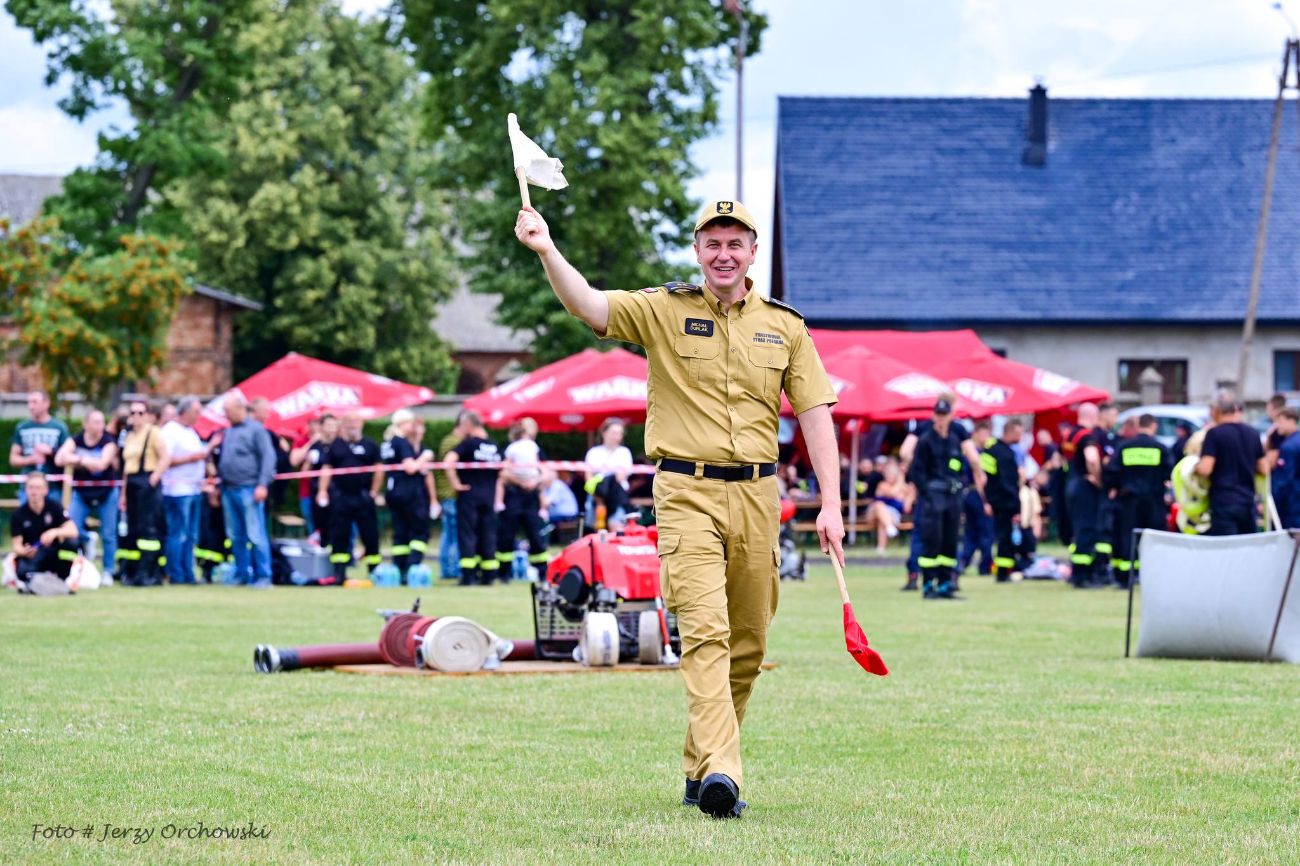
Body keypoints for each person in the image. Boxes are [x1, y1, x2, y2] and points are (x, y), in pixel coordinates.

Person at [516, 196, 842, 820]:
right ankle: (725, 771)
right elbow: (589, 304)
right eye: (711, 243)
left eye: (735, 243)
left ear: (752, 252)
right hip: (685, 492)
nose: (723, 254)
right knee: (704, 631)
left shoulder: (786, 326)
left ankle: (700, 765)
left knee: (748, 642)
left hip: (758, 495)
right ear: (697, 251)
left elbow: (815, 414)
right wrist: (546, 249)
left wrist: (830, 503)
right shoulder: (664, 310)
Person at [898, 397, 984, 592]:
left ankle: (943, 579)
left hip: (950, 493)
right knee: (928, 536)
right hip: (932, 495)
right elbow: (974, 459)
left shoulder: (950, 434)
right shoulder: (930, 435)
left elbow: (905, 453)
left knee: (947, 536)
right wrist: (928, 483)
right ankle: (925, 578)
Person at [908, 398, 968, 599]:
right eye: (939, 415)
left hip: (952, 497)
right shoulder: (925, 440)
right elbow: (917, 471)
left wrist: (960, 486)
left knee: (950, 540)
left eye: (945, 415)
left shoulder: (953, 440)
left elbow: (959, 466)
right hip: (933, 497)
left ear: (951, 416)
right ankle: (928, 584)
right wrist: (927, 493)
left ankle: (945, 583)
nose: (941, 419)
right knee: (932, 540)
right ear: (934, 416)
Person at [1104, 413, 1172, 587]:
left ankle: (1126, 577)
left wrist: (1118, 488)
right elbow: (1169, 473)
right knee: (1154, 538)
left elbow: (1112, 472)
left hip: (1129, 500)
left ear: (1138, 425)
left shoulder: (1124, 447)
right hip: (1153, 501)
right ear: (1153, 426)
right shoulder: (1160, 448)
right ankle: (1153, 575)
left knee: (1128, 536)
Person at [216, 394, 277, 587]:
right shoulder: (229, 431)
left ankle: (264, 575)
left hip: (249, 488)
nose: (225, 416)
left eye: (227, 412)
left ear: (239, 408)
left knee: (255, 534)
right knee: (235, 535)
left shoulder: (256, 430)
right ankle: (242, 574)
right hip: (229, 489)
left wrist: (262, 485)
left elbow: (268, 458)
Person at [317, 411, 384, 584]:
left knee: (370, 535)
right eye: (348, 422)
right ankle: (339, 574)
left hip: (363, 496)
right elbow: (327, 469)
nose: (351, 425)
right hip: (341, 497)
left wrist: (374, 491)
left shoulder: (370, 445)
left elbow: (379, 469)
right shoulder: (335, 446)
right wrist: (323, 491)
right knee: (339, 535)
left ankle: (374, 571)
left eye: (354, 421)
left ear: (361, 423)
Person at [54, 409, 119, 579]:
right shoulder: (76, 439)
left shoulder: (108, 441)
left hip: (107, 492)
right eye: (96, 422)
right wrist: (83, 460)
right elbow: (59, 458)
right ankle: (86, 543)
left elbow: (102, 464)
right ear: (86, 424)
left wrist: (76, 459)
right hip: (82, 492)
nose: (100, 426)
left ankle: (108, 571)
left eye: (102, 422)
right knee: (72, 527)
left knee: (109, 533)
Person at [160, 398, 215, 585]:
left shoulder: (191, 432)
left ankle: (188, 572)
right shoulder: (170, 431)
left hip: (193, 489)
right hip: (176, 491)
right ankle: (176, 573)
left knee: (191, 535)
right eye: (196, 411)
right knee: (178, 533)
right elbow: (165, 460)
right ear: (186, 411)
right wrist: (193, 457)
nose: (199, 416)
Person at [444, 413, 502, 585]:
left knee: (467, 535)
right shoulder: (494, 446)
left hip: (469, 495)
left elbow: (449, 461)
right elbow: (502, 472)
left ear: (469, 425)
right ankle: (489, 575)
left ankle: (469, 576)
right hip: (488, 497)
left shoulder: (468, 444)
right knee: (488, 535)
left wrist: (455, 484)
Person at [116, 400, 170, 587]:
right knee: (133, 530)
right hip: (131, 483)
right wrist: (123, 494)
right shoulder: (129, 436)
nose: (136, 416)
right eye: (133, 412)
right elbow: (126, 469)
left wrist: (153, 478)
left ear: (147, 415)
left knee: (149, 530)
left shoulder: (154, 433)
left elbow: (165, 458)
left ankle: (149, 571)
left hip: (147, 482)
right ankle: (132, 570)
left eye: (141, 413)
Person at [1196, 396, 1267, 536]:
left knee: (1226, 550)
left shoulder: (1214, 434)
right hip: (1247, 501)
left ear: (1216, 412)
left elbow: (1205, 469)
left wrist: (1194, 466)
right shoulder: (1252, 433)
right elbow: (1264, 469)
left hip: (1223, 501)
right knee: (1246, 547)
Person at [381, 409, 433, 581]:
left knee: (400, 532)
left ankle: (399, 569)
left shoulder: (387, 442)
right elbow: (410, 468)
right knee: (420, 531)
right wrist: (425, 457)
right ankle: (412, 566)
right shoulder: (401, 442)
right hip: (409, 492)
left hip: (393, 491)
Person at [495, 417, 549, 577]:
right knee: (507, 534)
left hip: (531, 495)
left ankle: (541, 570)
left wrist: (535, 482)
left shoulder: (535, 448)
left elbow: (547, 472)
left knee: (535, 533)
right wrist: (522, 481)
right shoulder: (512, 448)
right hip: (514, 494)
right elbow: (504, 471)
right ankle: (504, 572)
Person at [9, 473, 79, 584]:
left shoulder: (55, 507)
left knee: (72, 543)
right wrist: (24, 551)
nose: (34, 491)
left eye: (38, 487)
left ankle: (65, 577)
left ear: (45, 490)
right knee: (23, 572)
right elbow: (16, 546)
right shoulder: (18, 515)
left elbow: (73, 531)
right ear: (26, 490)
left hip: (54, 552)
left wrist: (54, 532)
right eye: (31, 487)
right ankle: (37, 580)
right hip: (34, 555)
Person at [1064, 402, 1105, 588]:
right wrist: (1097, 479)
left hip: (1071, 484)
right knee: (1087, 530)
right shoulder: (1087, 436)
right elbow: (1092, 459)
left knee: (1078, 528)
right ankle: (1082, 576)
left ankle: (1076, 572)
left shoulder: (1069, 435)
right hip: (1085, 487)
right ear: (1092, 416)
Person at [983, 418, 1025, 582]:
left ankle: (1000, 569)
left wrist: (986, 499)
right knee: (1005, 538)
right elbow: (1009, 483)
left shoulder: (991, 450)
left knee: (998, 536)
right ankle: (1002, 572)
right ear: (1012, 432)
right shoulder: (1006, 454)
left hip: (993, 499)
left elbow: (984, 478)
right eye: (1019, 433)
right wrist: (1017, 507)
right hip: (1005, 502)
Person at [10, 391, 71, 505]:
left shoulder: (59, 427)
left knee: (54, 522)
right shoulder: (22, 427)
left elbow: (68, 456)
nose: (30, 406)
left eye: (34, 402)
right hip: (28, 487)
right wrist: (31, 459)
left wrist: (51, 452)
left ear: (46, 403)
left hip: (53, 486)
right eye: (29, 402)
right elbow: (13, 459)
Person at [435, 412, 472, 581]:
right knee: (453, 533)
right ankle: (451, 569)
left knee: (450, 532)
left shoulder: (451, 441)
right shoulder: (453, 442)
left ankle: (448, 568)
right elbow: (449, 466)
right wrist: (457, 485)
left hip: (449, 494)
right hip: (451, 494)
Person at [584, 417, 634, 530]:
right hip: (597, 496)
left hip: (617, 495)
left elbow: (621, 477)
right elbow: (588, 477)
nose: (616, 436)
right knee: (596, 526)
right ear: (604, 432)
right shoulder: (593, 452)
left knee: (616, 526)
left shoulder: (624, 452)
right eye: (613, 432)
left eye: (619, 433)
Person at [960, 420, 995, 577]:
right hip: (977, 495)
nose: (987, 438)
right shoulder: (976, 453)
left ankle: (963, 561)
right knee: (985, 531)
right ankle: (985, 564)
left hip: (967, 494)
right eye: (985, 434)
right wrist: (986, 501)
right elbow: (979, 477)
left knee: (971, 532)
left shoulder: (966, 451)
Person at [1092, 402, 1121, 578]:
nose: (1115, 419)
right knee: (1101, 528)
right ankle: (1100, 567)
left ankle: (1103, 565)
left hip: (1104, 490)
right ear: (1103, 415)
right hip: (1100, 491)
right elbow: (1101, 462)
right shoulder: (1098, 436)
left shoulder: (1108, 436)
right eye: (1114, 415)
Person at [1271, 409, 1300, 529]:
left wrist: (1273, 500)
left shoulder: (1288, 447)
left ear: (1292, 421)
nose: (1277, 425)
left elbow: (1283, 480)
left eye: (1281, 421)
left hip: (1292, 503)